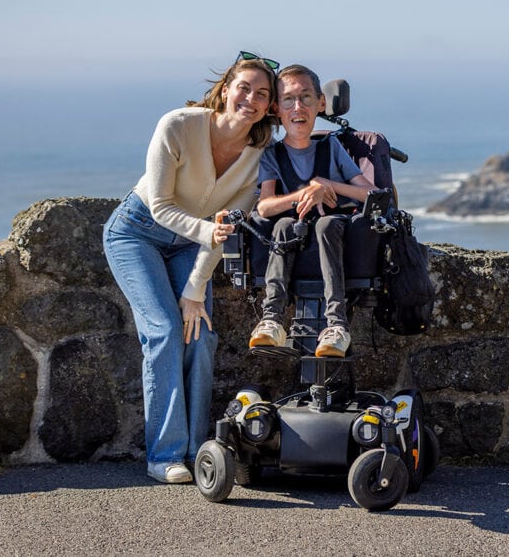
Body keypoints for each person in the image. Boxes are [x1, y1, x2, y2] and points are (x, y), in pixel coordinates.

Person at [103, 52, 279, 484]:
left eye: (262, 94)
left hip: (191, 245)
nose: (250, 99)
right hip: (137, 232)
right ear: (225, 89)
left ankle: (199, 451)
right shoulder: (178, 125)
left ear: (269, 106)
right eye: (244, 87)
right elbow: (163, 206)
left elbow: (226, 227)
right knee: (164, 330)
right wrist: (207, 233)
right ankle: (163, 456)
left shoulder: (260, 157)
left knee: (198, 335)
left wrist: (195, 290)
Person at [249, 64, 377, 358]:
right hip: (293, 238)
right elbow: (265, 206)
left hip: (332, 233)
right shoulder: (272, 155)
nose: (298, 107)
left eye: (307, 98)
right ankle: (271, 319)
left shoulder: (331, 148)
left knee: (326, 225)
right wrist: (302, 195)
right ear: (275, 109)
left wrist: (326, 184)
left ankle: (337, 325)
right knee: (282, 227)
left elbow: (371, 192)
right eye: (289, 100)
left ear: (321, 103)